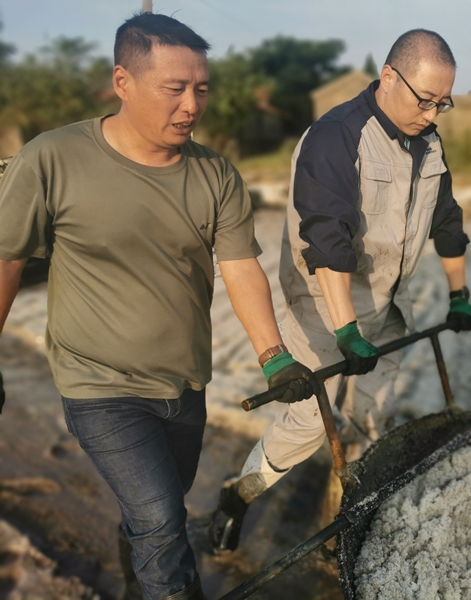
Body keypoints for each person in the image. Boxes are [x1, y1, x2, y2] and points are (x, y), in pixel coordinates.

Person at [0, 13, 318, 600]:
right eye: (174, 88)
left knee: (157, 512)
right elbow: (7, 262)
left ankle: (134, 580)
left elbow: (240, 267)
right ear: (122, 82)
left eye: (201, 88)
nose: (192, 105)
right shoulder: (52, 159)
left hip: (184, 385)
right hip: (99, 386)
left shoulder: (215, 174)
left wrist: (274, 357)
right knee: (161, 519)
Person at [208, 29, 471, 554]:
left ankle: (346, 517)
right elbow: (327, 240)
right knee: (310, 423)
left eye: (443, 103)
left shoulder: (428, 142)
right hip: (324, 305)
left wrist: (458, 294)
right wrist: (346, 330)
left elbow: (447, 220)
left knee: (371, 417)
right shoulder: (336, 136)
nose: (433, 114)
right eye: (425, 100)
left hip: (390, 303)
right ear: (388, 77)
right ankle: (239, 493)